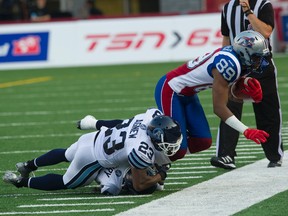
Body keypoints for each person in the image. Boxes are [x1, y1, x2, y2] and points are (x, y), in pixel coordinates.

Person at [3, 108, 182, 195]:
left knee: (66, 154)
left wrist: (95, 123)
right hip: (93, 157)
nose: (173, 143)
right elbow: (139, 185)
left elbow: (119, 123)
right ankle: (20, 181)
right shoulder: (140, 148)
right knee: (67, 182)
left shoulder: (148, 118)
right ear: (156, 134)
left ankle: (27, 164)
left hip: (96, 137)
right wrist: (161, 175)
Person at [153, 30, 270, 162]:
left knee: (203, 141)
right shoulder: (229, 63)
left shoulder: (239, 61)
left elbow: (230, 95)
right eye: (256, 57)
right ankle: (147, 154)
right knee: (178, 148)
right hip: (170, 89)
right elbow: (219, 108)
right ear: (245, 53)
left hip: (188, 94)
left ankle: (161, 159)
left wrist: (250, 96)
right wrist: (246, 130)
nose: (260, 62)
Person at [210, 0, 284, 169]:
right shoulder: (228, 8)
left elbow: (266, 32)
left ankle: (274, 155)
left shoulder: (263, 5)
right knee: (229, 107)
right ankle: (225, 155)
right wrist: (223, 60)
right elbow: (227, 38)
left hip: (261, 65)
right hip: (236, 64)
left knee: (267, 111)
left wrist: (248, 12)